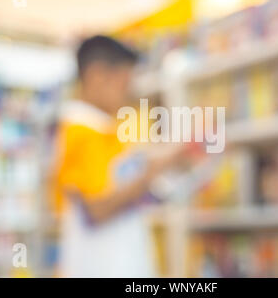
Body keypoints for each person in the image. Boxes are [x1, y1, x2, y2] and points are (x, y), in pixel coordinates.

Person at [51, 35, 184, 277]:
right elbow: (97, 209)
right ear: (97, 75)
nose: (128, 93)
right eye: (125, 83)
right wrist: (151, 174)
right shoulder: (81, 130)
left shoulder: (103, 128)